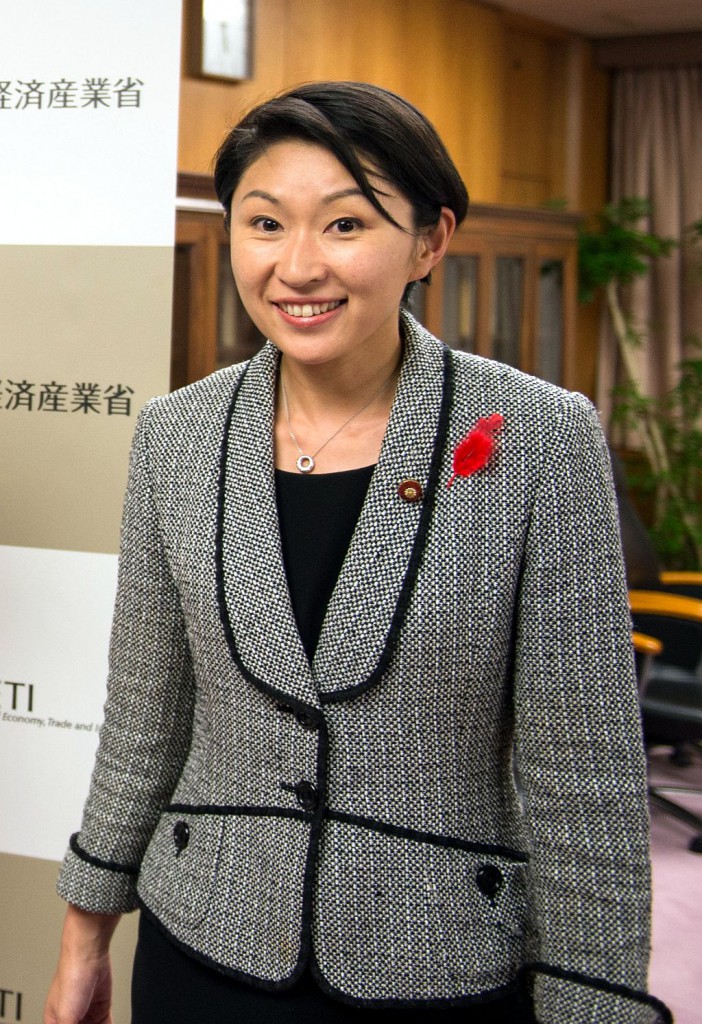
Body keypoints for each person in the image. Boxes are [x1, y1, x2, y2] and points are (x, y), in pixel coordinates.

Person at [45, 81, 671, 1024]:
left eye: (345, 225)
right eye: (264, 224)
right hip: (200, 946)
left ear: (431, 240)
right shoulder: (177, 435)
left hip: (437, 962)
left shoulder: (537, 437)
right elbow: (146, 712)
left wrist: (597, 1004)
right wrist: (85, 935)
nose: (297, 266)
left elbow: (582, 771)